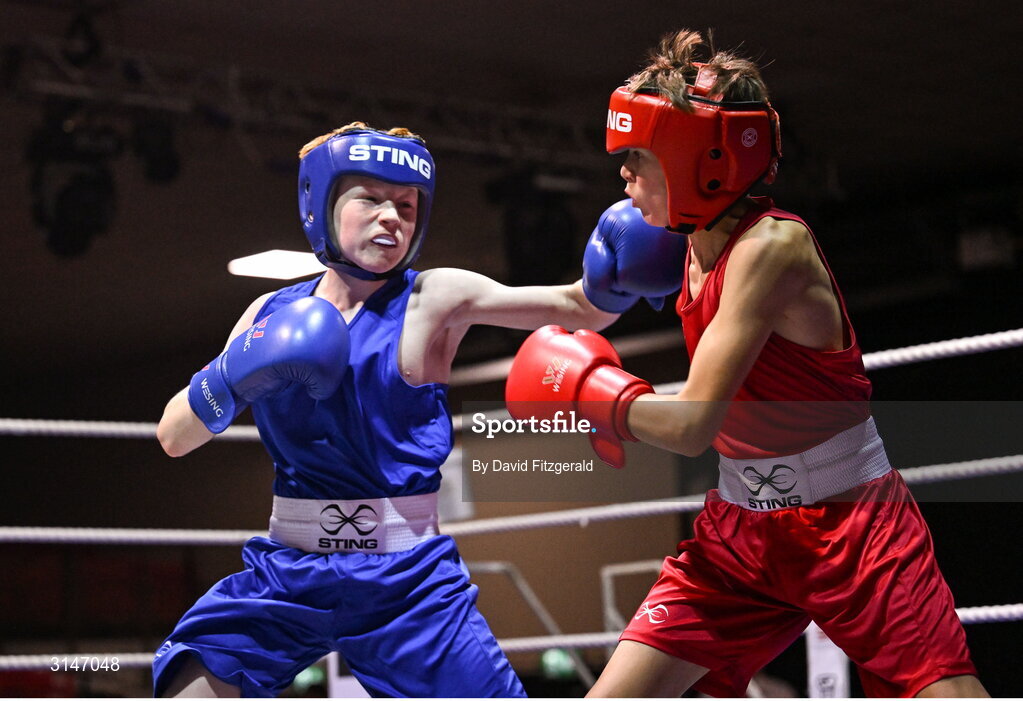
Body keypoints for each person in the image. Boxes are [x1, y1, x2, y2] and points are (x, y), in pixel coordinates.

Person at [506, 30, 988, 698]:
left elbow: (690, 425)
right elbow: (580, 306)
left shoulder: (773, 248)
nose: (623, 175)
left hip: (849, 524)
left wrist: (587, 389)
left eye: (638, 157)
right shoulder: (678, 241)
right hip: (740, 530)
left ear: (690, 160)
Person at [150, 121, 688, 697]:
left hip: (406, 579)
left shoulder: (434, 297)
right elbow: (175, 437)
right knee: (187, 685)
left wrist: (620, 270)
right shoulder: (268, 311)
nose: (391, 218)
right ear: (324, 204)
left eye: (406, 205)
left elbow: (573, 307)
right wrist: (233, 374)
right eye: (371, 200)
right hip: (289, 570)